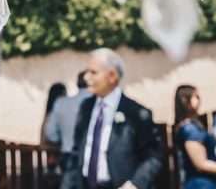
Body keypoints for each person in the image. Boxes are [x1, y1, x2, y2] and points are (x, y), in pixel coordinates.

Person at [64, 48, 164, 189]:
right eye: (87, 71)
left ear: (112, 76)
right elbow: (76, 153)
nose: (86, 77)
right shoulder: (85, 107)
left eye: (93, 72)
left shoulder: (137, 113)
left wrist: (135, 184)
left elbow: (154, 155)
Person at [175, 85, 216, 189]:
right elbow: (200, 163)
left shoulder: (193, 125)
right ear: (185, 100)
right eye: (195, 96)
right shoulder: (189, 129)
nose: (199, 99)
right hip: (201, 184)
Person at [44, 71, 92, 179]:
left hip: (68, 154)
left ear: (77, 84)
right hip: (93, 156)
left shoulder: (61, 103)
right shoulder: (100, 102)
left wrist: (63, 139)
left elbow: (49, 131)